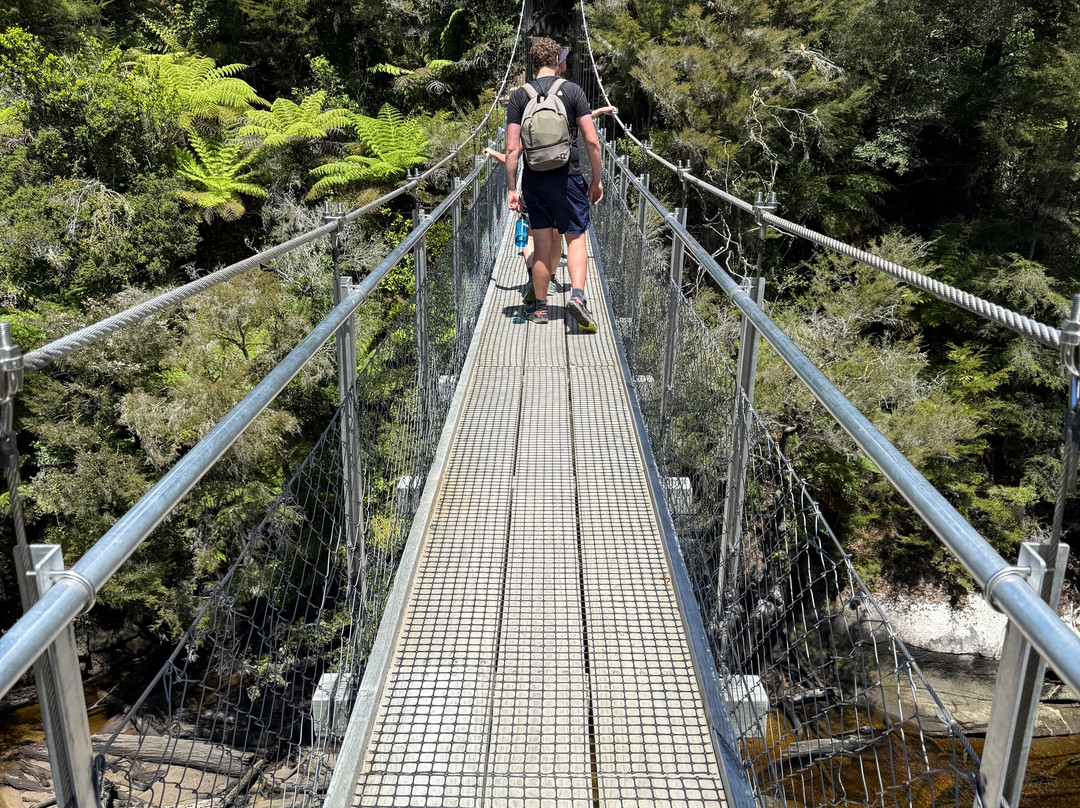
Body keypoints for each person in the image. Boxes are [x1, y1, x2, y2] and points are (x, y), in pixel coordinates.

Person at [504, 38, 603, 329]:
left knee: (542, 242)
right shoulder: (572, 90)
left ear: (534, 62)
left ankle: (541, 308)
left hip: (534, 178)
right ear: (558, 60)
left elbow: (512, 149)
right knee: (574, 237)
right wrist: (596, 180)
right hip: (568, 176)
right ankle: (577, 297)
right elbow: (592, 140)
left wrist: (512, 188)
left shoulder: (519, 96)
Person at [485, 102, 617, 303]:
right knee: (557, 237)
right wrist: (599, 112)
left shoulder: (528, 133)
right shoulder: (562, 125)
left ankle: (535, 281)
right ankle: (553, 279)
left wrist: (492, 153)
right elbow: (583, 123)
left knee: (533, 239)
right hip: (564, 185)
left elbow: (510, 157)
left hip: (534, 188)